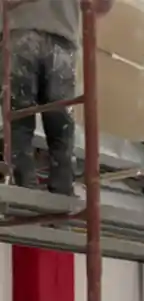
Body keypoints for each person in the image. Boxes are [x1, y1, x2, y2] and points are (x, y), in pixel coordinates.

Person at [1, 0, 115, 195]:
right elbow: (102, 5)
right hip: (62, 41)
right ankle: (62, 193)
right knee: (60, 126)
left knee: (19, 122)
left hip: (21, 35)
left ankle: (23, 192)